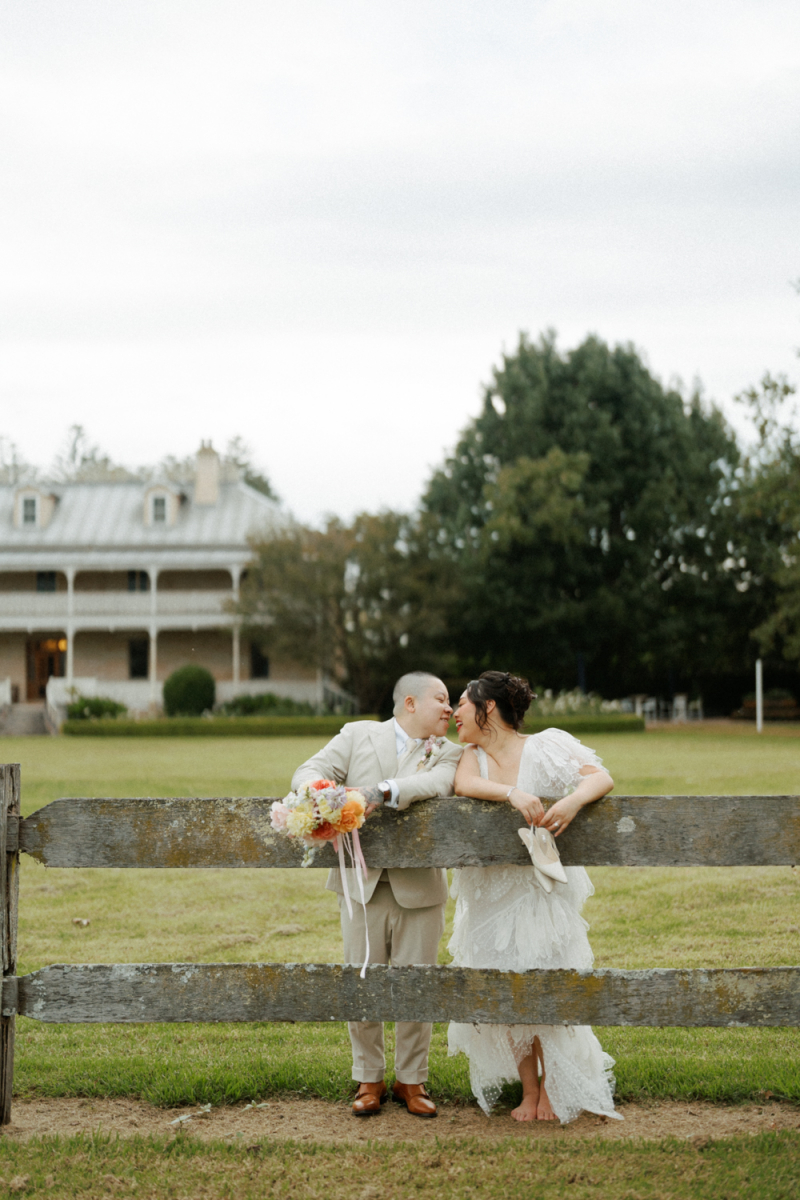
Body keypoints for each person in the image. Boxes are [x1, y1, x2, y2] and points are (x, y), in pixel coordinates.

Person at [448, 670, 621, 1125]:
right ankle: (527, 1089)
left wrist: (571, 802)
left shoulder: (545, 744)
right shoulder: (471, 758)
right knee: (504, 987)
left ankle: (550, 1087)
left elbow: (600, 776)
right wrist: (512, 793)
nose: (454, 712)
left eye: (462, 703)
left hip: (538, 893)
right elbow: (463, 786)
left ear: (487, 710)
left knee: (544, 981)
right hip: (489, 893)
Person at [291, 671, 463, 1119]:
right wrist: (322, 796)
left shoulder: (449, 752)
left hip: (421, 886)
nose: (450, 708)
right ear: (410, 702)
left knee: (417, 984)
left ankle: (412, 1079)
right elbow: (308, 770)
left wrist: (381, 791)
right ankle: (368, 1077)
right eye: (442, 699)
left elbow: (436, 785)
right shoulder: (356, 734)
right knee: (361, 980)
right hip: (359, 886)